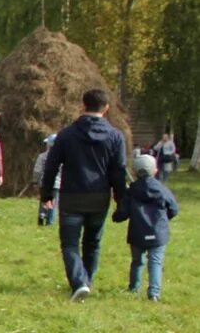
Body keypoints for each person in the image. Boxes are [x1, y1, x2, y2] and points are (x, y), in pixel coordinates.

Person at [42, 89, 128, 301]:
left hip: (72, 195)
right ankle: (86, 281)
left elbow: (51, 166)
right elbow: (119, 170)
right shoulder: (116, 137)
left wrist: (46, 194)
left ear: (83, 105)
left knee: (70, 243)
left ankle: (79, 283)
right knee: (93, 242)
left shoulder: (66, 135)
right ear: (106, 109)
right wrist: (120, 198)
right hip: (99, 196)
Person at [112, 154, 178, 301]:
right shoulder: (162, 189)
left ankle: (134, 287)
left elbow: (122, 214)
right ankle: (154, 293)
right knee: (155, 262)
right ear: (154, 170)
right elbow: (174, 208)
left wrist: (116, 216)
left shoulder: (131, 191)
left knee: (137, 261)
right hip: (158, 233)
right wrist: (164, 219)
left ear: (135, 172)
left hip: (137, 233)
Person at [33, 134, 58, 226]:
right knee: (53, 202)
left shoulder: (42, 156)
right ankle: (50, 222)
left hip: (43, 182)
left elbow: (37, 170)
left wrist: (35, 181)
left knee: (43, 200)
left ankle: (41, 215)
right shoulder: (62, 157)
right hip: (57, 183)